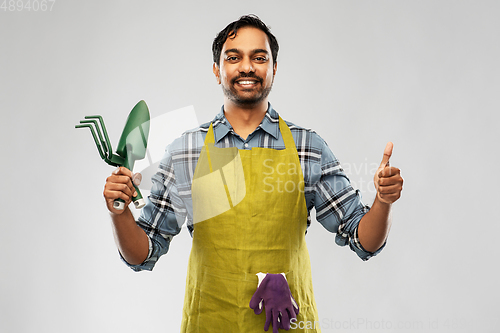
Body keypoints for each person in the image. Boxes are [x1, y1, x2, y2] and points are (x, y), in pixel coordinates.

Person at [103, 15, 403, 333]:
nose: (247, 67)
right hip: (210, 323)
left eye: (259, 58)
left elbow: (363, 241)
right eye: (234, 57)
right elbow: (142, 253)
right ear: (217, 69)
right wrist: (118, 211)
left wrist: (383, 201)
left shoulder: (308, 147)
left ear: (274, 68)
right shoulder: (186, 151)